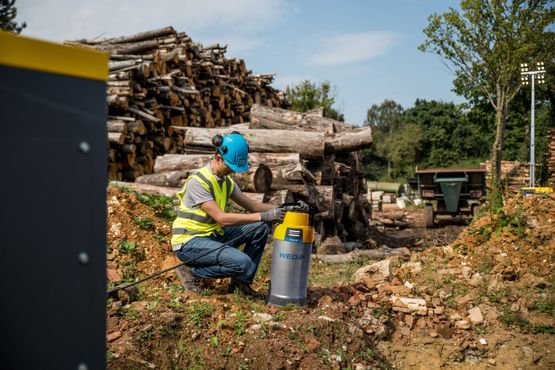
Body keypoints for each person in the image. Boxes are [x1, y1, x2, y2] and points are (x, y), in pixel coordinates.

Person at [171, 131, 308, 298]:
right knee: (243, 262)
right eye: (230, 167)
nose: (232, 172)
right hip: (189, 243)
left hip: (210, 236)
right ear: (218, 157)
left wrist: (285, 209)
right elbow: (222, 218)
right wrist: (264, 216)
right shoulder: (198, 182)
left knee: (259, 228)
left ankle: (241, 284)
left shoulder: (226, 181)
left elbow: (253, 205)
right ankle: (191, 271)